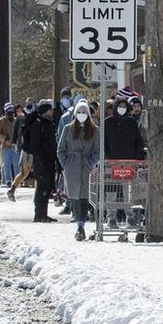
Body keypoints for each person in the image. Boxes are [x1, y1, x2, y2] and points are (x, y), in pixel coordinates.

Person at [58, 101, 100, 241]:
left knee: (85, 196)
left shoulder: (95, 130)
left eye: (84, 112)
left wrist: (91, 162)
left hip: (87, 166)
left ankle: (81, 224)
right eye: (79, 112)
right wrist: (66, 164)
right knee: (75, 196)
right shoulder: (68, 129)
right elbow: (61, 149)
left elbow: (98, 151)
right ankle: (79, 224)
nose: (81, 115)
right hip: (72, 167)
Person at [23, 100, 60, 223]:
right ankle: (39, 214)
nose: (52, 111)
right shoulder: (38, 124)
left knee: (47, 186)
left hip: (49, 160)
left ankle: (44, 213)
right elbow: (36, 145)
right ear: (45, 111)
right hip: (41, 161)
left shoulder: (49, 123)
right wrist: (40, 160)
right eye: (50, 110)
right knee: (42, 187)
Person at [104, 95, 147, 160]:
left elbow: (138, 141)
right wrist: (109, 156)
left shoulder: (132, 122)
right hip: (112, 161)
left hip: (130, 160)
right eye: (120, 106)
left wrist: (135, 155)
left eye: (124, 106)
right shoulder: (107, 122)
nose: (122, 108)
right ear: (115, 107)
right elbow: (103, 142)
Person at [0, 104, 19, 189]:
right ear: (5, 112)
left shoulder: (16, 120)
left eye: (12, 112)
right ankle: (8, 180)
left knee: (16, 164)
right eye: (9, 112)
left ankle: (17, 180)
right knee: (7, 164)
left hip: (15, 145)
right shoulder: (1, 121)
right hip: (6, 146)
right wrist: (5, 138)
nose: (10, 114)